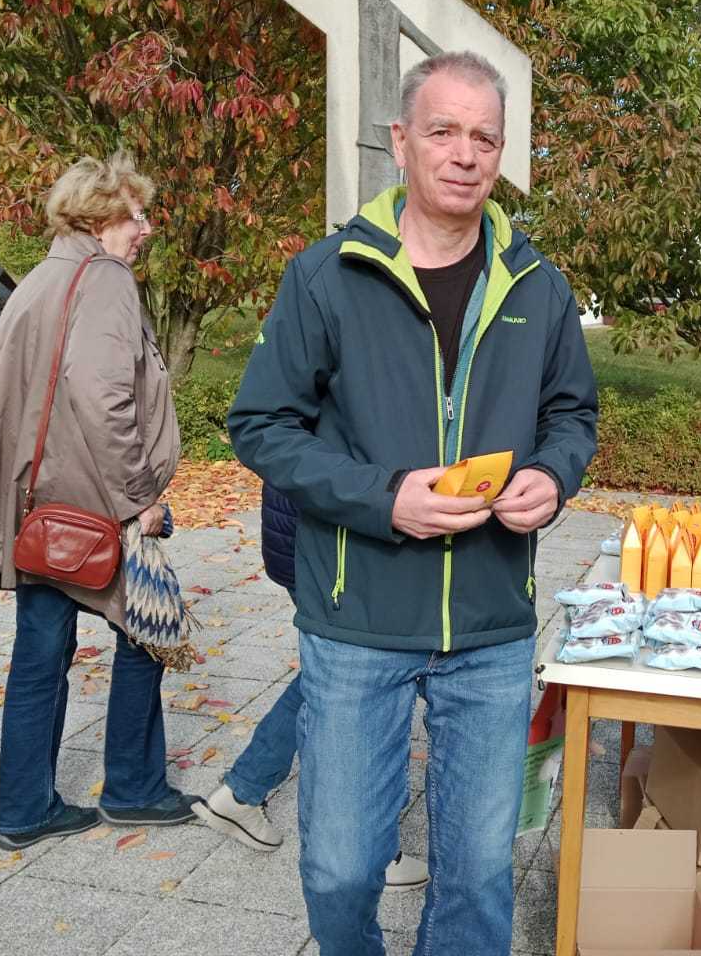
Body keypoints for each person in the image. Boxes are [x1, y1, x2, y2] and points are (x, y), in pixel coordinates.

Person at [226, 51, 598, 956]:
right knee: (340, 869)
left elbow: (572, 415)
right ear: (402, 141)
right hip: (358, 615)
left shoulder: (539, 286)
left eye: (485, 138)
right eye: (444, 131)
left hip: (491, 623)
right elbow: (260, 424)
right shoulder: (327, 276)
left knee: (477, 877)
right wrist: (383, 497)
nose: (465, 154)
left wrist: (554, 476)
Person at [0, 154, 200, 851]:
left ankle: (24, 809)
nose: (146, 229)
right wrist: (139, 499)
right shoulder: (105, 279)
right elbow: (101, 394)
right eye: (138, 215)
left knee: (39, 654)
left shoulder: (41, 278)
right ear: (101, 215)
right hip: (95, 501)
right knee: (149, 631)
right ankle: (135, 789)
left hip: (42, 504)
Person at [194, 482, 429, 890]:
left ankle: (243, 791)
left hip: (312, 540)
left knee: (336, 673)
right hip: (338, 547)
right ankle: (369, 848)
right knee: (369, 675)